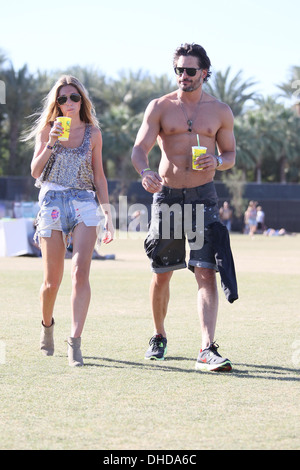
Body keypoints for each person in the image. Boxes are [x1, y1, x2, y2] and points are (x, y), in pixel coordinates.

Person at [131, 43, 237, 372]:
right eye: (178, 70)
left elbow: (231, 155)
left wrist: (217, 160)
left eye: (190, 71)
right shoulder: (160, 107)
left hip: (203, 196)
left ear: (204, 72)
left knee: (206, 271)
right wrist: (145, 172)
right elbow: (139, 149)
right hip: (168, 197)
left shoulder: (220, 111)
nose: (183, 76)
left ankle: (207, 348)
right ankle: (158, 335)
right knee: (162, 273)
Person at [26, 75, 114, 366]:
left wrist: (108, 215)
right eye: (62, 99)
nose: (69, 103)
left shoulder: (93, 133)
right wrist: (50, 142)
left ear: (82, 101)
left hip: (84, 203)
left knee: (80, 273)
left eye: (74, 97)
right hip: (52, 201)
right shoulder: (48, 130)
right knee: (52, 281)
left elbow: (99, 176)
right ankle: (47, 326)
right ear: (57, 104)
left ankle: (74, 342)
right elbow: (35, 172)